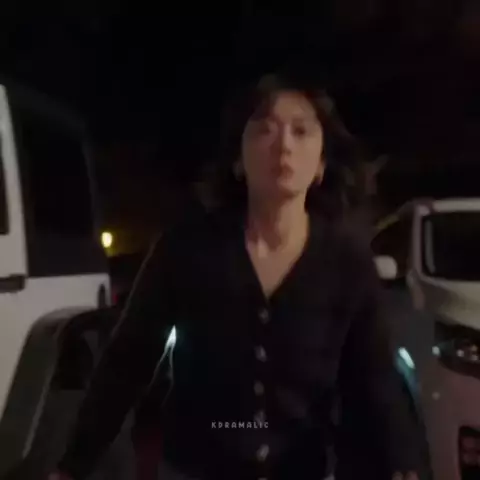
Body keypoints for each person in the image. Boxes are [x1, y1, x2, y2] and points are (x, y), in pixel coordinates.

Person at [50, 72, 422, 480]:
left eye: (301, 131)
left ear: (320, 166)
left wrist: (402, 461)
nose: (283, 145)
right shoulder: (185, 248)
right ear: (237, 161)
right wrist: (74, 464)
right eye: (264, 129)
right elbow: (128, 360)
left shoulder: (347, 262)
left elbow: (374, 376)